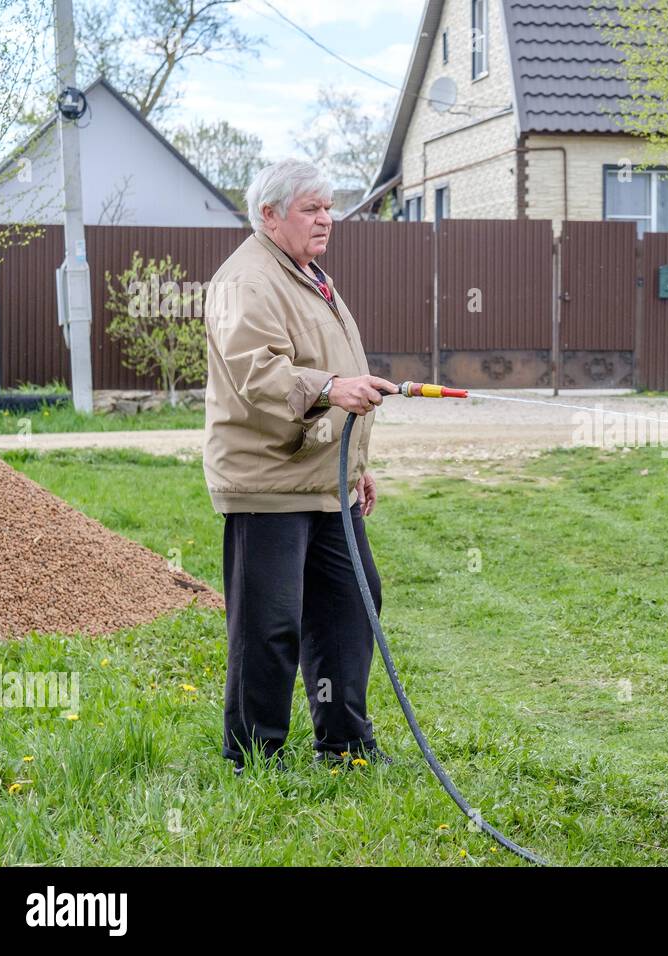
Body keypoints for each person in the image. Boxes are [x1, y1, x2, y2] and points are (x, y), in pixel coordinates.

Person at [202, 158, 400, 775]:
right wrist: (332, 386)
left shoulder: (309, 275)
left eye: (328, 206)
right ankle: (254, 756)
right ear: (269, 214)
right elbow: (256, 371)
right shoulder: (247, 280)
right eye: (310, 208)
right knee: (270, 625)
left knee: (352, 604)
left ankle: (344, 745)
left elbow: (332, 365)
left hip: (324, 480)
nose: (326, 219)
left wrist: (356, 463)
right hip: (269, 481)